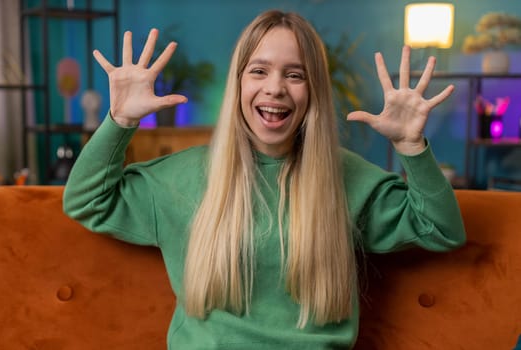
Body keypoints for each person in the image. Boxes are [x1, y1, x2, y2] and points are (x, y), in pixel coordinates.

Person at [63, 10, 466, 349]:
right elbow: (85, 200)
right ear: (239, 83)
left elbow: (442, 229)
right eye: (258, 71)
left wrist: (411, 146)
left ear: (314, 92)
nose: (275, 88)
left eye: (295, 75)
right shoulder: (178, 178)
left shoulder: (349, 178)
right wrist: (121, 121)